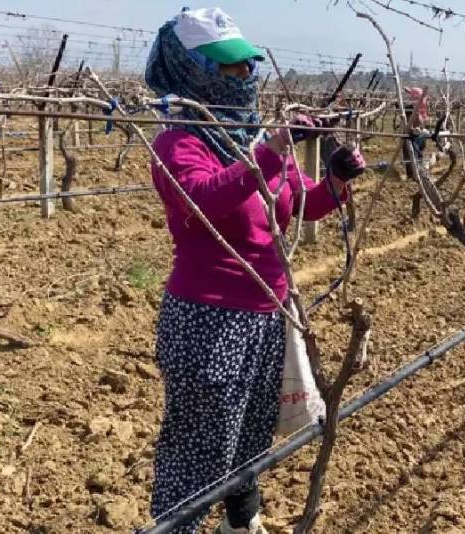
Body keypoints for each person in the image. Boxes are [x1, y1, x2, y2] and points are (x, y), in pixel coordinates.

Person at [143, 7, 366, 534]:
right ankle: (177, 528)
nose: (245, 77)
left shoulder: (253, 136)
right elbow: (203, 200)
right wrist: (269, 152)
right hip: (209, 321)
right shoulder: (179, 143)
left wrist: (334, 180)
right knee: (198, 445)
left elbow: (301, 205)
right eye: (229, 68)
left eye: (247, 66)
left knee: (247, 433)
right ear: (191, 69)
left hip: (269, 316)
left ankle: (242, 522)